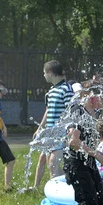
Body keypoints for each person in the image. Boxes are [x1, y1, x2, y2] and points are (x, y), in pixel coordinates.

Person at [46, 89, 103, 205]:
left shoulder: (94, 114)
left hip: (88, 162)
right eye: (99, 95)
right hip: (76, 163)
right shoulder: (78, 112)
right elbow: (73, 141)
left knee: (101, 200)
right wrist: (95, 153)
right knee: (87, 202)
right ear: (88, 97)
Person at [33, 61, 74, 190]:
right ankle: (68, 185)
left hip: (61, 132)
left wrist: (69, 131)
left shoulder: (66, 89)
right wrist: (40, 128)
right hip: (50, 132)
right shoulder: (52, 90)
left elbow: (71, 111)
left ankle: (58, 193)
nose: (44, 76)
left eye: (44, 73)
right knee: (48, 162)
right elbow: (48, 110)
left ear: (50, 73)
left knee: (52, 164)